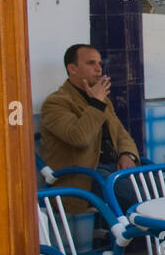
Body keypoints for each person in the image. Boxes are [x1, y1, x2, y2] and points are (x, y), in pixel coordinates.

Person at [40, 44, 142, 212]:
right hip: (85, 176)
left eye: (100, 63)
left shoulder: (102, 100)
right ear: (72, 68)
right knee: (143, 202)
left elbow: (122, 134)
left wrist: (127, 154)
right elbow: (79, 137)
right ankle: (158, 237)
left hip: (114, 168)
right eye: (91, 63)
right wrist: (96, 103)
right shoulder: (56, 103)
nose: (98, 69)